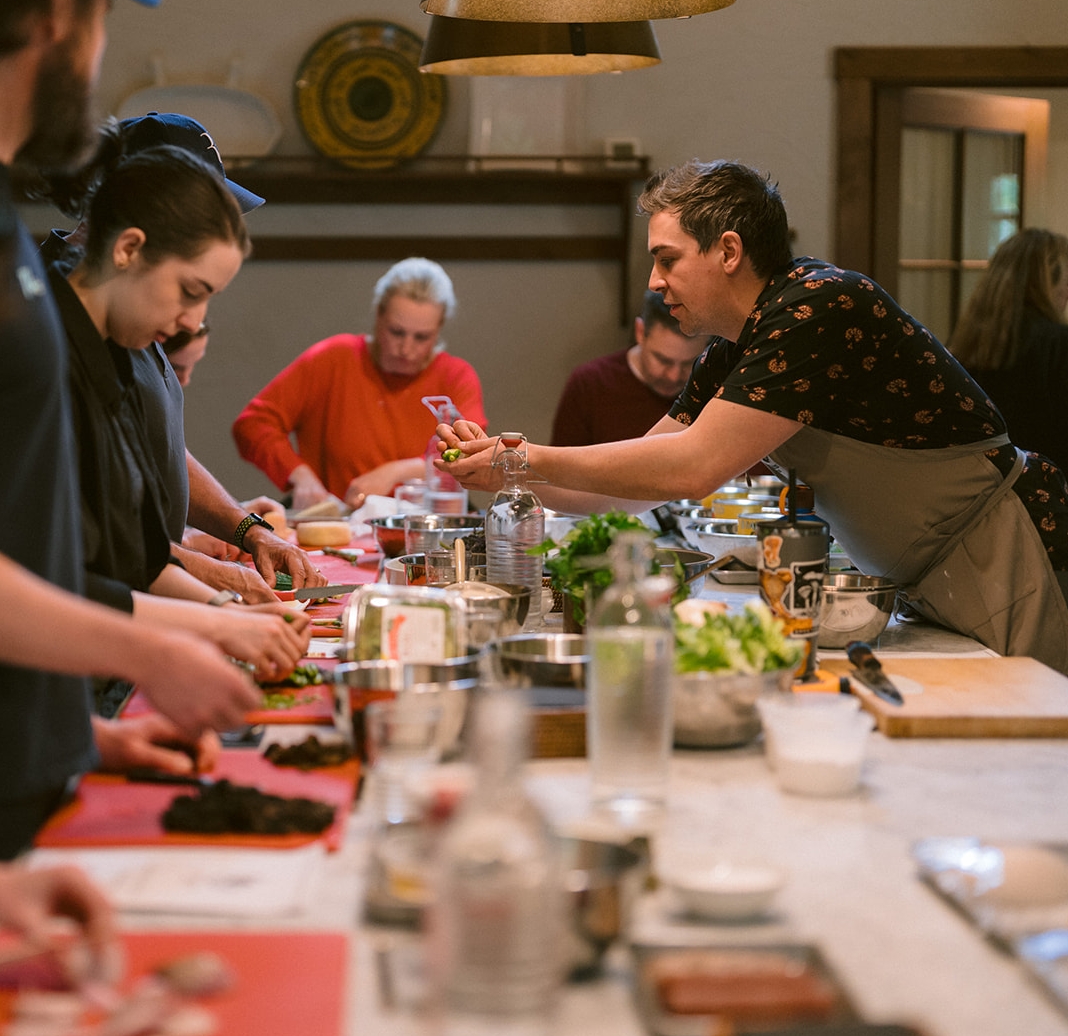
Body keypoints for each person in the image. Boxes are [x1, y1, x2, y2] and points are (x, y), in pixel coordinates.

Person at [437, 159, 1068, 675]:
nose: (653, 281)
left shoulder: (822, 305)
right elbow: (637, 484)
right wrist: (509, 475)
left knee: (1027, 762)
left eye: (667, 259)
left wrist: (523, 456)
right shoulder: (731, 347)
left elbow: (691, 468)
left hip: (1003, 554)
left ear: (729, 250)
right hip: (926, 576)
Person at [0, 0, 261, 857]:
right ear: (60, 14)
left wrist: (87, 739)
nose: (189, 324)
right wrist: (173, 640)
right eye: (107, 15)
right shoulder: (50, 301)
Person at [45, 143, 310, 693]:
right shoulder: (43, 349)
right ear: (128, 248)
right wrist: (219, 621)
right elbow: (54, 576)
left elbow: (140, 555)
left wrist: (225, 610)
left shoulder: (118, 348)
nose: (193, 321)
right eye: (190, 292)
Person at [233, 257, 487, 510]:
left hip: (426, 524)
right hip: (340, 523)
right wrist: (299, 475)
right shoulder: (334, 359)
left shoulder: (455, 376)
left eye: (422, 337)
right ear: (378, 315)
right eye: (396, 332)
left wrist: (395, 472)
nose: (406, 349)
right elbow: (254, 424)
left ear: (439, 328)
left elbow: (472, 452)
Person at [949, 228, 1068, 473]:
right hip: (1045, 485)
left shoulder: (968, 344)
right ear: (1049, 280)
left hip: (979, 484)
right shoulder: (1058, 345)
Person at [551, 289, 706, 446]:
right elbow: (560, 461)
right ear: (640, 332)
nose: (674, 376)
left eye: (689, 363)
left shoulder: (712, 385)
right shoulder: (589, 385)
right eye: (663, 360)